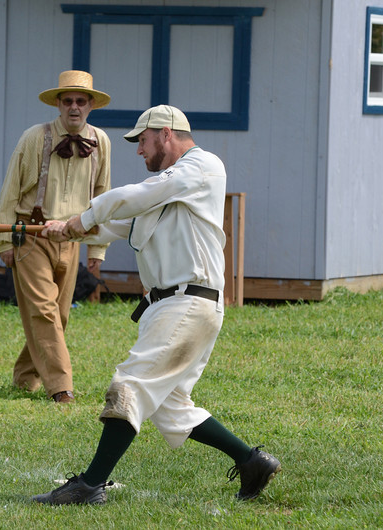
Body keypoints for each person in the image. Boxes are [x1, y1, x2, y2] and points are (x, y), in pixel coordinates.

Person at [33, 105, 281, 503]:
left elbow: (135, 196)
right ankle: (251, 461)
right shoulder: (172, 189)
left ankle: (89, 485)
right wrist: (66, 228)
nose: (138, 151)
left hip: (188, 302)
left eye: (142, 141)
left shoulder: (201, 167)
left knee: (128, 385)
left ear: (166, 134)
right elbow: (118, 222)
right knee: (169, 404)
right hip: (170, 307)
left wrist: (85, 216)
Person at [0, 70, 112, 403]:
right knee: (44, 311)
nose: (74, 107)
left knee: (59, 316)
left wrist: (97, 248)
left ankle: (25, 375)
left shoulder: (101, 141)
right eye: (68, 101)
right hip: (31, 234)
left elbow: (103, 196)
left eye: (81, 101)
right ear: (58, 104)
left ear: (90, 106)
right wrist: (3, 240)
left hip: (71, 239)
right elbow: (10, 189)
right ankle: (61, 388)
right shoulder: (35, 137)